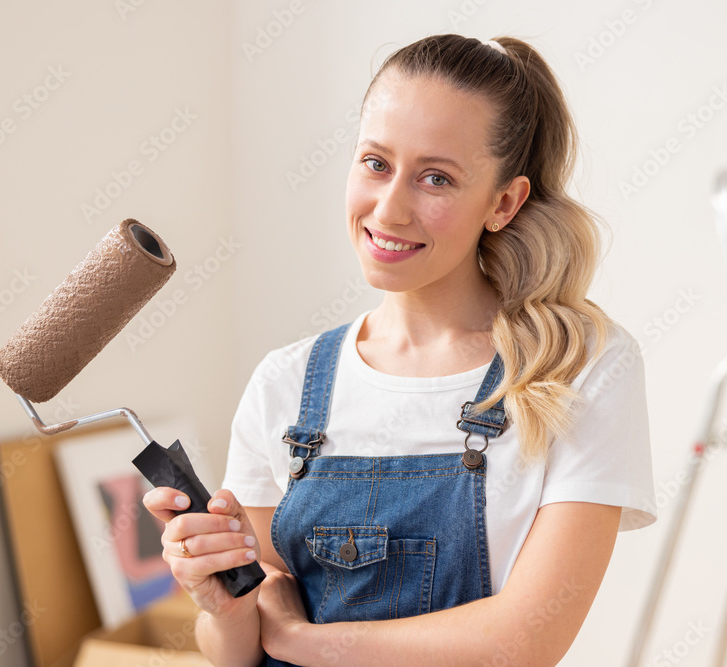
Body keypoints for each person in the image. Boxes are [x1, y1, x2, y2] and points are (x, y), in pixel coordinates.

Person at [143, 33, 656, 666]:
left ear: (504, 202)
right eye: (375, 163)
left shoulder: (577, 368)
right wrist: (225, 608)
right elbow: (244, 642)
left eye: (435, 178)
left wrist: (306, 640)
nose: (389, 210)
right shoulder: (285, 382)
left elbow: (526, 641)